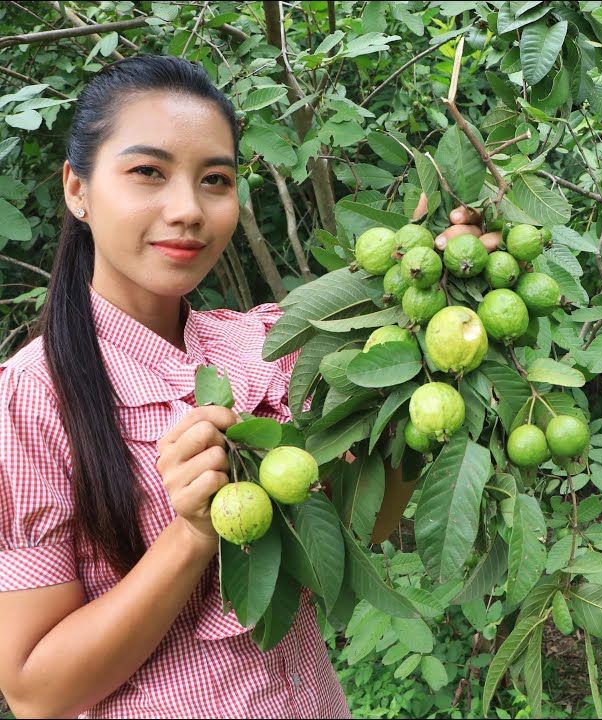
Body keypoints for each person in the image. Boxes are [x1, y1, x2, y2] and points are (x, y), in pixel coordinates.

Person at [0, 54, 411, 718]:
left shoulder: (265, 344)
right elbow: (35, 692)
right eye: (147, 173)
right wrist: (191, 534)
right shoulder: (31, 401)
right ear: (77, 189)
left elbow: (366, 528)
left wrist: (423, 341)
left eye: (215, 179)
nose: (188, 209)